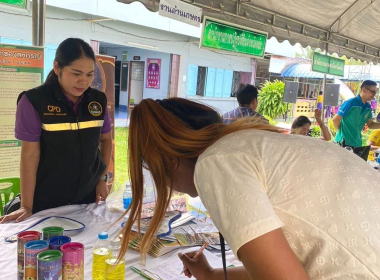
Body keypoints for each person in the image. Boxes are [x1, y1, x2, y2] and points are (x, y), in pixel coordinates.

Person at [118, 97, 380, 280]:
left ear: (169, 162)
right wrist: (211, 275)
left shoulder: (216, 163)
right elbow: (277, 269)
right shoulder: (252, 144)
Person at [0, 38, 112, 223]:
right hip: (46, 201)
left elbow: (106, 140)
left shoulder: (97, 101)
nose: (83, 81)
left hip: (87, 198)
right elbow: (29, 155)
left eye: (90, 75)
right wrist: (26, 206)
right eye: (76, 73)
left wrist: (102, 178)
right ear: (57, 67)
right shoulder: (34, 101)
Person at [333, 80, 380, 147]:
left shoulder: (368, 107)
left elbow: (371, 124)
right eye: (373, 92)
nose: (374, 95)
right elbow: (335, 120)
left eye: (375, 92)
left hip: (357, 144)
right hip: (342, 143)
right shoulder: (350, 103)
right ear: (364, 90)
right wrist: (342, 132)